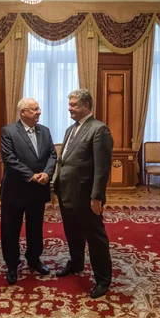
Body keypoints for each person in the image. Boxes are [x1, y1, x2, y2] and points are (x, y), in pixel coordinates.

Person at [53, 89, 113, 299]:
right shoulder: (71, 129)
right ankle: (76, 262)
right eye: (69, 104)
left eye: (74, 105)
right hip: (66, 192)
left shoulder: (99, 130)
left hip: (87, 196)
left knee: (95, 237)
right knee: (72, 231)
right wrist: (55, 183)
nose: (69, 108)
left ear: (87, 105)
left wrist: (96, 196)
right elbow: (65, 160)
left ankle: (103, 279)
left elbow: (102, 168)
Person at [0, 98, 57, 285]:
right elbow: (9, 159)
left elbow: (52, 155)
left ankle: (34, 259)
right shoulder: (8, 131)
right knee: (10, 229)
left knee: (35, 228)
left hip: (38, 190)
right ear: (23, 112)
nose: (39, 112)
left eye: (39, 109)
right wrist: (32, 175)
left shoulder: (45, 131)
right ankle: (12, 265)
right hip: (15, 190)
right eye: (34, 109)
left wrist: (47, 173)